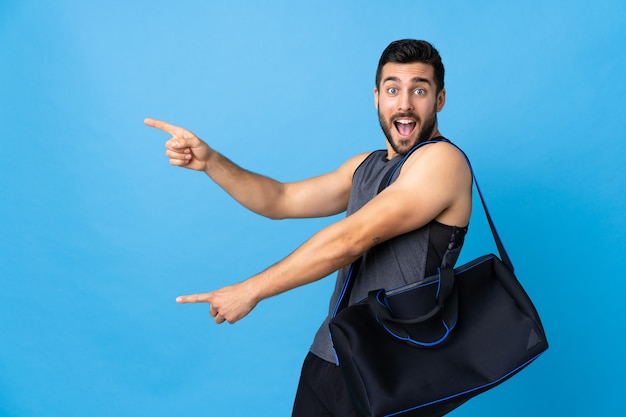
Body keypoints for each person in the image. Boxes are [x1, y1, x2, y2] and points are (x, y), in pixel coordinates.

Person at [145, 39, 472, 417]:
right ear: (377, 97)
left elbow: (352, 239)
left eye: (419, 90)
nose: (404, 103)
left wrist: (250, 290)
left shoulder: (442, 162)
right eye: (393, 89)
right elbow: (280, 199)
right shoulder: (364, 166)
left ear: (440, 100)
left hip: (392, 368)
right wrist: (212, 161)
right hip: (330, 356)